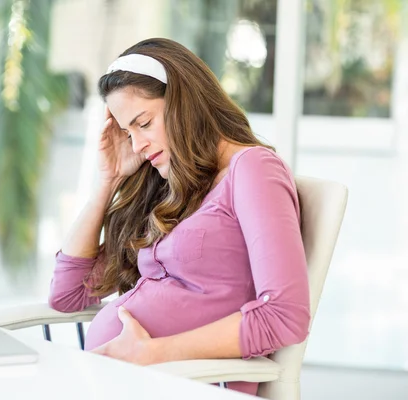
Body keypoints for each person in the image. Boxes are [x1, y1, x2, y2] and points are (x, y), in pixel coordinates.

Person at [48, 38, 310, 396]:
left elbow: (284, 315)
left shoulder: (252, 170)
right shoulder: (171, 186)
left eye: (144, 123)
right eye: (128, 132)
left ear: (184, 102)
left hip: (191, 386)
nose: (137, 144)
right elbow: (68, 294)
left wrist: (152, 353)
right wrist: (107, 182)